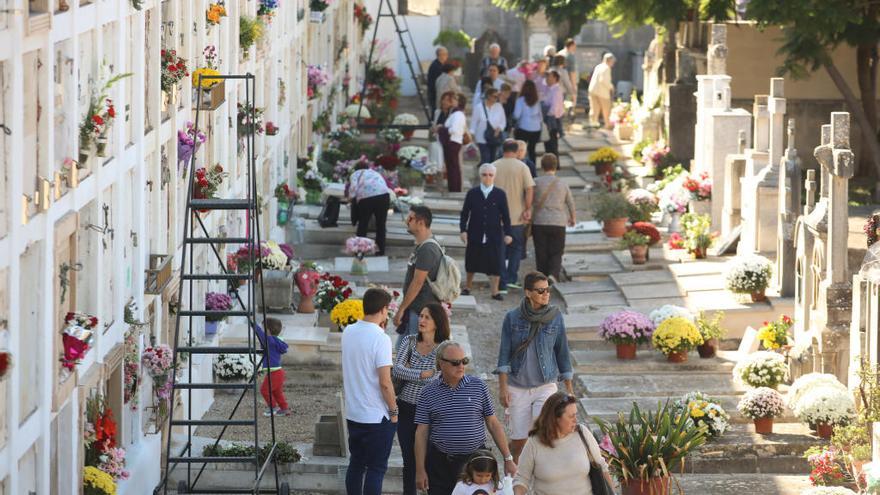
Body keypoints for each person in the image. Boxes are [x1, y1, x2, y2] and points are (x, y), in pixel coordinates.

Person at [414, 341, 517, 495]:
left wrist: (508, 458)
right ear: (441, 363)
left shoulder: (479, 386)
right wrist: (420, 470)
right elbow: (421, 433)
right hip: (441, 465)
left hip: (476, 465)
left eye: (464, 361)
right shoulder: (427, 393)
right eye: (455, 362)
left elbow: (493, 423)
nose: (461, 366)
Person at [496, 272, 574, 463]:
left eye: (548, 290)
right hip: (517, 386)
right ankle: (517, 482)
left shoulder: (555, 317)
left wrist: (569, 391)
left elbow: (562, 351)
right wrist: (503, 387)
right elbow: (504, 354)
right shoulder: (512, 318)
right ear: (528, 292)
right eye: (540, 291)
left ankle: (544, 478)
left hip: (545, 386)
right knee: (519, 441)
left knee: (545, 433)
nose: (546, 294)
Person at [342, 288, 398, 495]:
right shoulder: (381, 338)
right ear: (384, 310)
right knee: (376, 468)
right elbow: (385, 382)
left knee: (356, 463)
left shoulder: (348, 331)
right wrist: (394, 412)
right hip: (376, 414)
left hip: (354, 411)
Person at [394, 303, 452, 495]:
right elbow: (397, 369)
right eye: (421, 316)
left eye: (427, 317)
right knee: (409, 462)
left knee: (431, 461)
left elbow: (440, 376)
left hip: (433, 412)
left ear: (437, 322)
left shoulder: (445, 347)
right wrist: (422, 374)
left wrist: (412, 372)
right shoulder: (409, 341)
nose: (422, 320)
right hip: (406, 408)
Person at [513, 392, 614, 495]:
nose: (576, 420)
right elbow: (521, 478)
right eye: (571, 416)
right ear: (555, 419)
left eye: (576, 414)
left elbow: (602, 466)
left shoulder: (582, 433)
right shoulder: (534, 443)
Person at [460, 163, 513, 300]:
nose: (487, 177)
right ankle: (467, 287)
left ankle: (495, 292)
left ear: (494, 176)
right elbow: (465, 213)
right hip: (475, 233)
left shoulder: (500, 194)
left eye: (490, 175)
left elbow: (506, 216)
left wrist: (508, 233)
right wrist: (463, 230)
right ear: (480, 176)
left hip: (494, 234)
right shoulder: (472, 193)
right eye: (484, 175)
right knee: (471, 261)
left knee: (495, 263)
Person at [394, 205, 443, 347]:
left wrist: (401, 309)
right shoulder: (422, 246)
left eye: (410, 218)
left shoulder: (427, 249)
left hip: (420, 311)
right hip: (416, 310)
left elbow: (417, 283)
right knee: (402, 352)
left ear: (421, 222)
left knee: (409, 354)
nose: (406, 221)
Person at [492, 140, 535, 292]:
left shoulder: (494, 166)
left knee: (500, 248)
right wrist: (528, 208)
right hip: (517, 215)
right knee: (516, 247)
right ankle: (512, 277)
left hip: (497, 216)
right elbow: (529, 189)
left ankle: (502, 282)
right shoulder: (522, 167)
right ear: (517, 151)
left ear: (502, 150)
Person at [531, 154, 576, 282]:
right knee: (557, 250)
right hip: (558, 221)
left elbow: (529, 200)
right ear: (556, 166)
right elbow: (570, 202)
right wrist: (573, 217)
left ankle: (541, 276)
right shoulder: (563, 183)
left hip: (539, 221)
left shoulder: (536, 182)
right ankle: (553, 274)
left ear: (542, 166)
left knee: (541, 250)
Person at [347, 162, 392, 255]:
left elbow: (353, 190)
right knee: (381, 225)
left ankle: (360, 251)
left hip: (367, 198)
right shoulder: (375, 173)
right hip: (384, 196)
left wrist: (350, 199)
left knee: (363, 223)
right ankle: (380, 251)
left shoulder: (355, 174)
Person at [255, 317, 290, 417]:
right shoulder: (277, 340)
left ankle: (273, 407)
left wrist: (253, 323)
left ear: (268, 331)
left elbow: (260, 334)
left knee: (264, 390)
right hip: (278, 372)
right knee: (276, 392)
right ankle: (284, 409)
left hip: (274, 372)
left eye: (263, 328)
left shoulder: (269, 340)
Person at [437, 93, 468, 193]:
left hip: (453, 142)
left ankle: (455, 189)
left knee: (453, 168)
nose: (452, 101)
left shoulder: (458, 114)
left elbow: (454, 129)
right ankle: (453, 188)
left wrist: (441, 128)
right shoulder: (455, 114)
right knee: (451, 167)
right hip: (451, 142)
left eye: (454, 99)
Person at [470, 88, 507, 164]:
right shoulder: (479, 107)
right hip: (482, 138)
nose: (496, 98)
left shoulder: (499, 107)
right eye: (494, 96)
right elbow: (474, 122)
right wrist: (472, 134)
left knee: (493, 160)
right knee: (485, 159)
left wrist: (499, 128)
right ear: (488, 96)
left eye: (497, 96)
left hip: (495, 137)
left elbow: (503, 121)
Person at [512, 80, 543, 165]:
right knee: (532, 149)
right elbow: (540, 116)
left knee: (520, 149)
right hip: (536, 129)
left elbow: (516, 115)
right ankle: (532, 168)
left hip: (523, 128)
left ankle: (520, 167)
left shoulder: (520, 100)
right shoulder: (537, 100)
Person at [588, 52, 615, 129]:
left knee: (594, 109)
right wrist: (611, 87)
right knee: (606, 109)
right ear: (609, 60)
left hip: (593, 90)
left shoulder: (598, 66)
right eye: (612, 61)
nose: (613, 63)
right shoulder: (606, 68)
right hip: (602, 92)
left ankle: (593, 124)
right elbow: (603, 80)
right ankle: (607, 125)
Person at [542, 70, 564, 157]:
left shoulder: (556, 90)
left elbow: (554, 108)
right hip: (549, 118)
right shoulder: (551, 89)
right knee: (548, 144)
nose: (547, 79)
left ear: (555, 78)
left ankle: (553, 164)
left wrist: (547, 115)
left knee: (551, 144)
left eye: (549, 77)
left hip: (552, 119)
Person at [557, 39, 579, 115]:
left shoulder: (559, 53)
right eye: (574, 45)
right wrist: (573, 86)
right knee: (569, 104)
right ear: (571, 45)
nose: (575, 47)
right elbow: (572, 72)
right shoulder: (570, 56)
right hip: (568, 82)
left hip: (558, 82)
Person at [428, 46, 449, 115]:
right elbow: (440, 82)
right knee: (436, 112)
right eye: (445, 54)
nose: (447, 56)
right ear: (440, 55)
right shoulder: (436, 66)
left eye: (447, 54)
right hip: (436, 93)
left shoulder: (440, 65)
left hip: (438, 93)